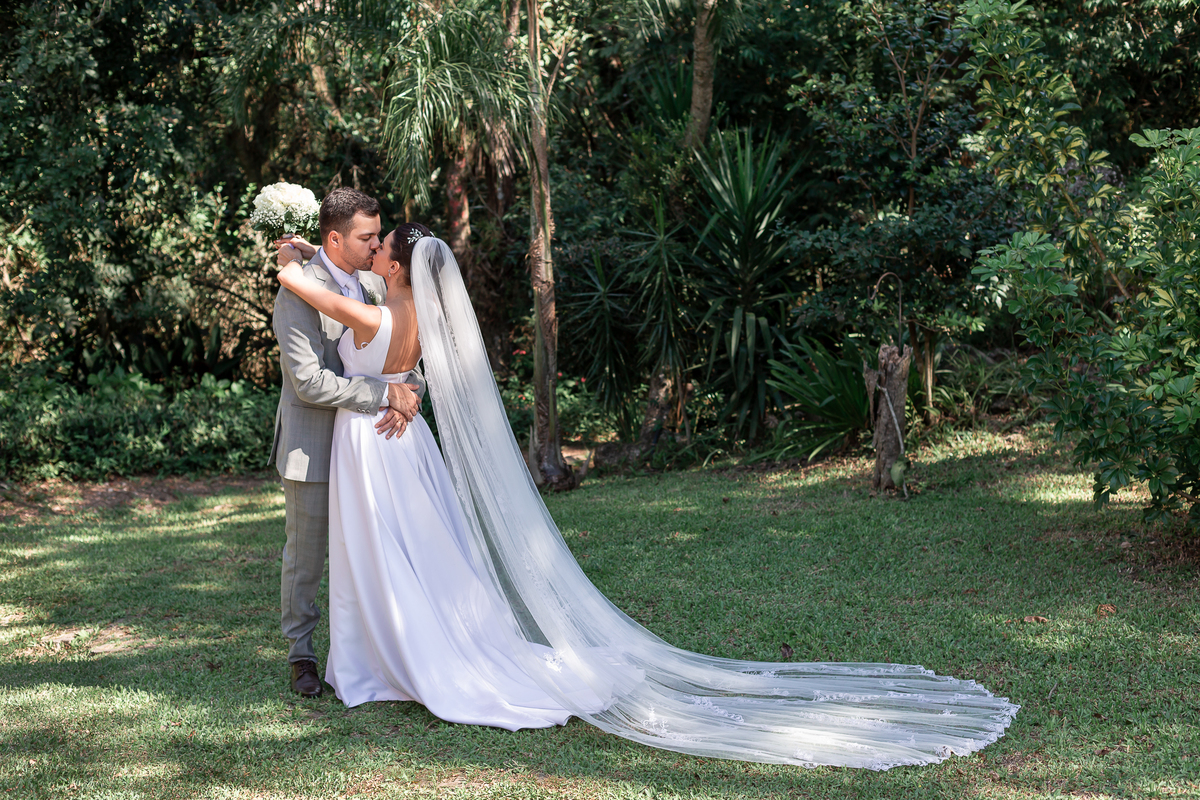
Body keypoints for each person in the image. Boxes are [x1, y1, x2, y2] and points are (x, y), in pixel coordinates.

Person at [274, 224, 1020, 768]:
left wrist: (290, 256)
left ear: (397, 266)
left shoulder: (374, 310)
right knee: (415, 555)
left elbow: (307, 292)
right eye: (367, 243)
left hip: (377, 447)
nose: (372, 254)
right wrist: (341, 282)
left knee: (388, 554)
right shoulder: (402, 309)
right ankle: (385, 650)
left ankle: (385, 658)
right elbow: (363, 307)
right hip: (400, 446)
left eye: (381, 249)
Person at [268, 188, 421, 699]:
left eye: (380, 237)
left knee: (375, 553)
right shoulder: (296, 293)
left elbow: (396, 348)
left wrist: (409, 389)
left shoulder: (373, 285)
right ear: (335, 238)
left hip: (368, 449)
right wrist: (384, 394)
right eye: (367, 237)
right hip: (314, 443)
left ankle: (376, 651)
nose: (376, 244)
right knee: (307, 557)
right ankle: (302, 656)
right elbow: (308, 382)